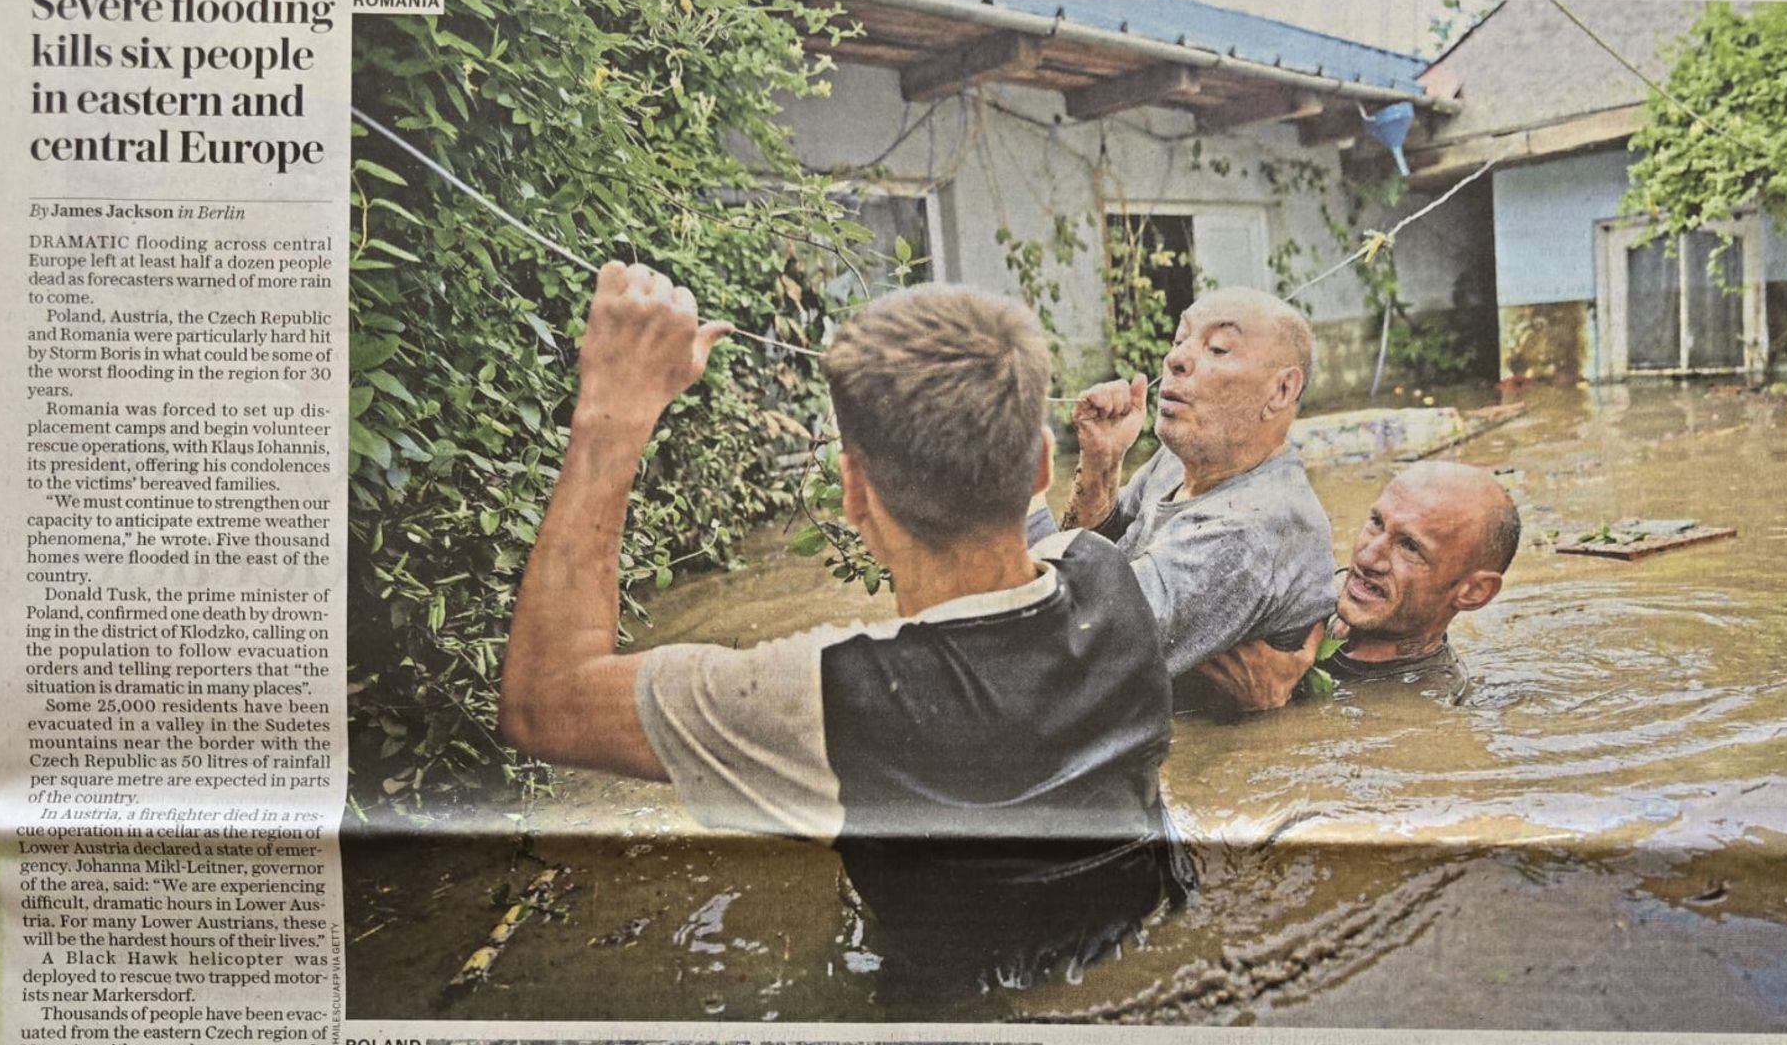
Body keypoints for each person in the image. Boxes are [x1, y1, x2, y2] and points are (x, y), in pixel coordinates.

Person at [501, 265, 1190, 999]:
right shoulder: (1111, 577)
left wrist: (611, 412)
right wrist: (1103, 467)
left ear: (853, 492)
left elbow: (544, 701)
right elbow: (1048, 555)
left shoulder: (826, 695)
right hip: (1153, 941)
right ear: (1042, 467)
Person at [1030, 287, 1337, 688]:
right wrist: (1100, 465)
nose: (1174, 359)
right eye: (1180, 341)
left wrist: (1021, 485)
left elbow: (1056, 647)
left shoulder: (1250, 530)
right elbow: (1093, 553)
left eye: (1219, 349)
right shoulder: (1182, 460)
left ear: (1281, 390)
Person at [1200, 461, 1521, 711]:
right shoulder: (1304, 591)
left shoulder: (1427, 711)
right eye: (1376, 523)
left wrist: (1263, 708)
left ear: (1473, 592)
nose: (1367, 557)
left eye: (1410, 547)